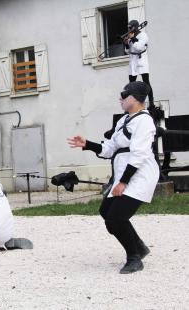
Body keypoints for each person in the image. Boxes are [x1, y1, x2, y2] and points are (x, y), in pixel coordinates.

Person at [68, 81, 159, 274]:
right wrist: (88, 144)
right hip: (124, 174)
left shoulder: (144, 121)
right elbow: (110, 148)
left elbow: (139, 154)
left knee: (116, 218)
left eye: (123, 96)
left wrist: (124, 182)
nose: (120, 99)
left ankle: (134, 257)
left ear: (133, 98)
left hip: (139, 175)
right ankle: (139, 247)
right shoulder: (124, 121)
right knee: (106, 212)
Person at [124, 20, 154, 106]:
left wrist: (133, 38)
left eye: (130, 27)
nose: (129, 29)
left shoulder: (143, 35)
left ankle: (151, 103)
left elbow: (139, 47)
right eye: (128, 28)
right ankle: (130, 104)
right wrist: (126, 44)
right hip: (133, 60)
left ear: (134, 27)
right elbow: (127, 51)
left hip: (141, 60)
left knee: (146, 82)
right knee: (131, 83)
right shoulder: (130, 36)